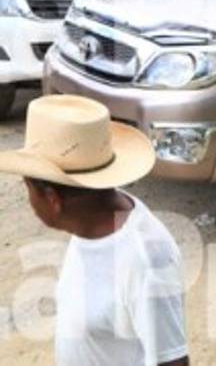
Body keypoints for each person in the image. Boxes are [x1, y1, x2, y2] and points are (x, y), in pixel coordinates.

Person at [0, 95, 188, 365]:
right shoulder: (91, 220)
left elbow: (173, 361)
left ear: (53, 199)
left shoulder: (146, 260)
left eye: (27, 187)